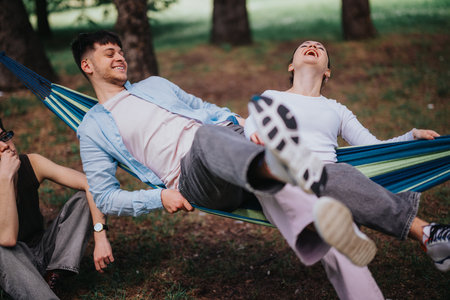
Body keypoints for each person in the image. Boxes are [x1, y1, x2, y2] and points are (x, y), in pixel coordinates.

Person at [71, 30, 385, 300]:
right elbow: (104, 197)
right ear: (87, 65)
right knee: (209, 137)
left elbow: (202, 107)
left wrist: (239, 121)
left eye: (121, 53)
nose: (120, 58)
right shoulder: (93, 128)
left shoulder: (155, 84)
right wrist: (158, 198)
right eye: (110, 54)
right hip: (194, 174)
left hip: (233, 144)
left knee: (323, 217)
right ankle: (279, 175)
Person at [245, 40, 450, 272]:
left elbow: (375, 149)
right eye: (305, 45)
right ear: (291, 66)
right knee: (343, 187)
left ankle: (429, 237)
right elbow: (253, 121)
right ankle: (428, 233)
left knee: (343, 192)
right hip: (282, 172)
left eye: (320, 48)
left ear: (327, 72)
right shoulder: (272, 96)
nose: (312, 46)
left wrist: (411, 137)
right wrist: (253, 132)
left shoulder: (337, 110)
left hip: (327, 180)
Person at [0, 118, 114, 299]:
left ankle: (53, 274)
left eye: (4, 137)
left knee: (85, 199)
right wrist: (5, 178)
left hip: (43, 249)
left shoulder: (31, 163)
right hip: (14, 266)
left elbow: (92, 186)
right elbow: (7, 238)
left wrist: (100, 236)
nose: (4, 146)